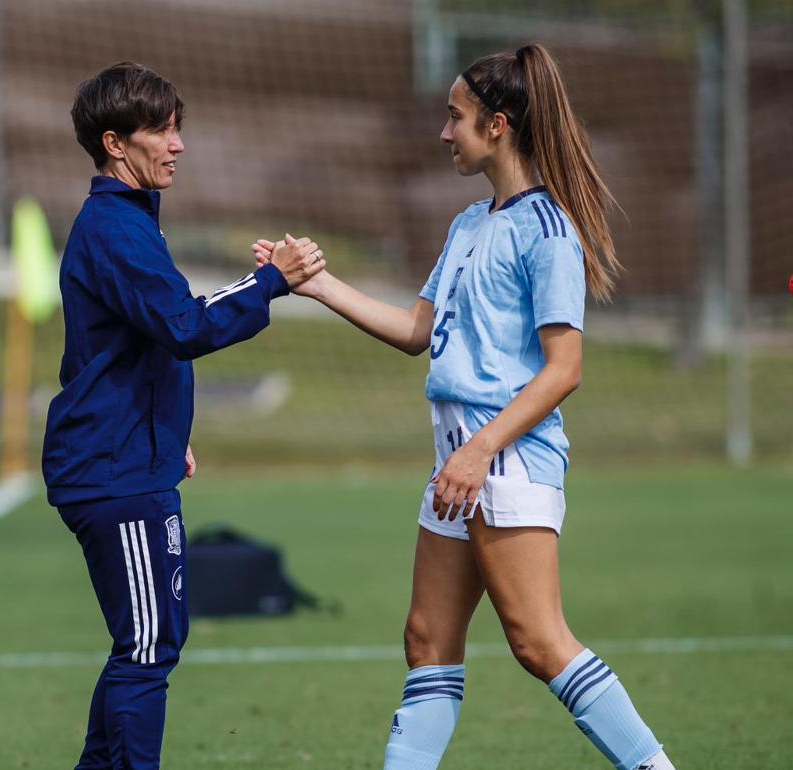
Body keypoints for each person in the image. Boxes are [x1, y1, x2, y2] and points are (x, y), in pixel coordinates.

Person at [254, 44, 674, 770]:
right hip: (460, 457)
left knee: (538, 643)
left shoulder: (549, 233)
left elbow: (564, 369)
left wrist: (479, 454)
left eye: (456, 118)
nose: (445, 133)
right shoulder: (467, 225)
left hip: (504, 458)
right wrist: (316, 286)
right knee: (427, 641)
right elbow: (419, 332)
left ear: (499, 126)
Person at [44, 61, 325, 770]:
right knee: (147, 647)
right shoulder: (114, 227)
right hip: (113, 470)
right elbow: (184, 326)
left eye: (178, 129)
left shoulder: (127, 222)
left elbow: (120, 348)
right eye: (161, 131)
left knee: (146, 643)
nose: (178, 144)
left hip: (130, 457)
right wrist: (270, 281)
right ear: (115, 143)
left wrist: (167, 427)